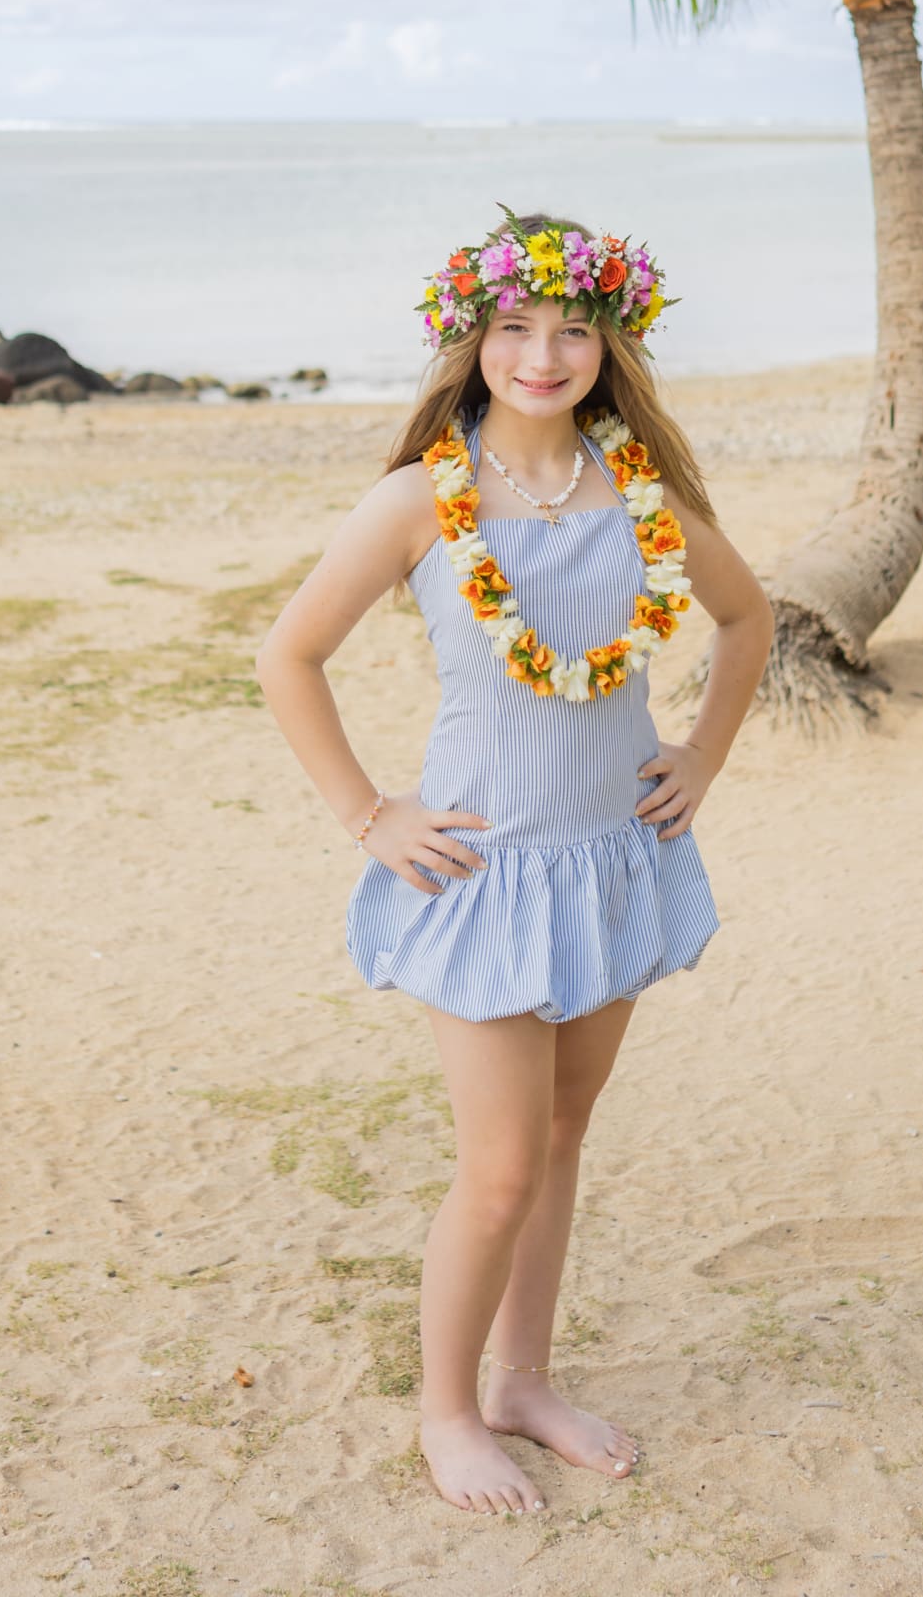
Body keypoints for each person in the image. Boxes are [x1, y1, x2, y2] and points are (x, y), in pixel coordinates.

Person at [255, 211, 773, 1516]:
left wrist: (702, 756)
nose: (543, 356)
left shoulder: (639, 492)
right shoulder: (421, 501)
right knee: (496, 1170)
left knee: (559, 1135)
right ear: (472, 338)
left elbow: (747, 616)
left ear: (611, 346)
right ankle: (446, 1412)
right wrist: (369, 812)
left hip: (611, 858)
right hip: (484, 874)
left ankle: (522, 1382)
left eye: (574, 331)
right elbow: (288, 656)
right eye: (517, 328)